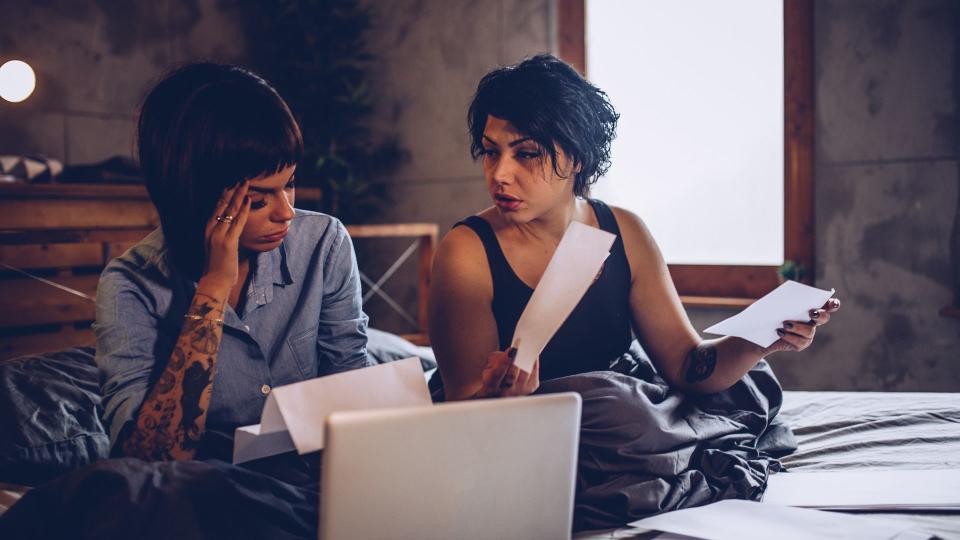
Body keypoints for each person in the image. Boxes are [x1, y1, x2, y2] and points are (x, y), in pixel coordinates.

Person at [428, 52, 840, 401]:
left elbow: (687, 366)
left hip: (613, 421)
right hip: (516, 440)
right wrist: (503, 399)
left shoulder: (625, 233)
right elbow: (465, 411)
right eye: (490, 151)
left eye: (527, 154)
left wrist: (764, 337)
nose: (500, 174)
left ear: (577, 157)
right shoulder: (466, 253)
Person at [95, 62, 371, 463]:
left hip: (315, 474)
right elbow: (152, 458)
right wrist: (212, 289)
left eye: (289, 184)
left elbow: (351, 386)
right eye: (259, 200)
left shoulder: (323, 244)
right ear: (196, 196)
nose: (287, 212)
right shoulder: (130, 286)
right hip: (206, 489)